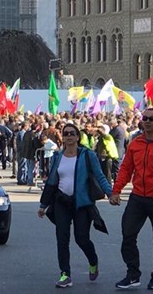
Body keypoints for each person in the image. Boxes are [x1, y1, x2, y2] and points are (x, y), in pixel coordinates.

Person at [37, 123, 113, 288]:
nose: (69, 136)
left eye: (72, 133)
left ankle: (93, 261)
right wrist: (43, 205)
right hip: (61, 202)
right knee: (62, 238)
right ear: (62, 137)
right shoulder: (58, 157)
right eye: (66, 134)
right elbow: (51, 181)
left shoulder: (87, 155)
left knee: (81, 239)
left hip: (82, 203)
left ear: (78, 137)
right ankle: (65, 274)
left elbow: (100, 176)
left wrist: (110, 193)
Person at [109, 108, 153, 291]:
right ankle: (133, 275)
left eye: (151, 119)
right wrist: (116, 191)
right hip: (138, 196)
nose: (147, 121)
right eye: (145, 118)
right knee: (128, 234)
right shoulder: (135, 143)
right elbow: (125, 169)